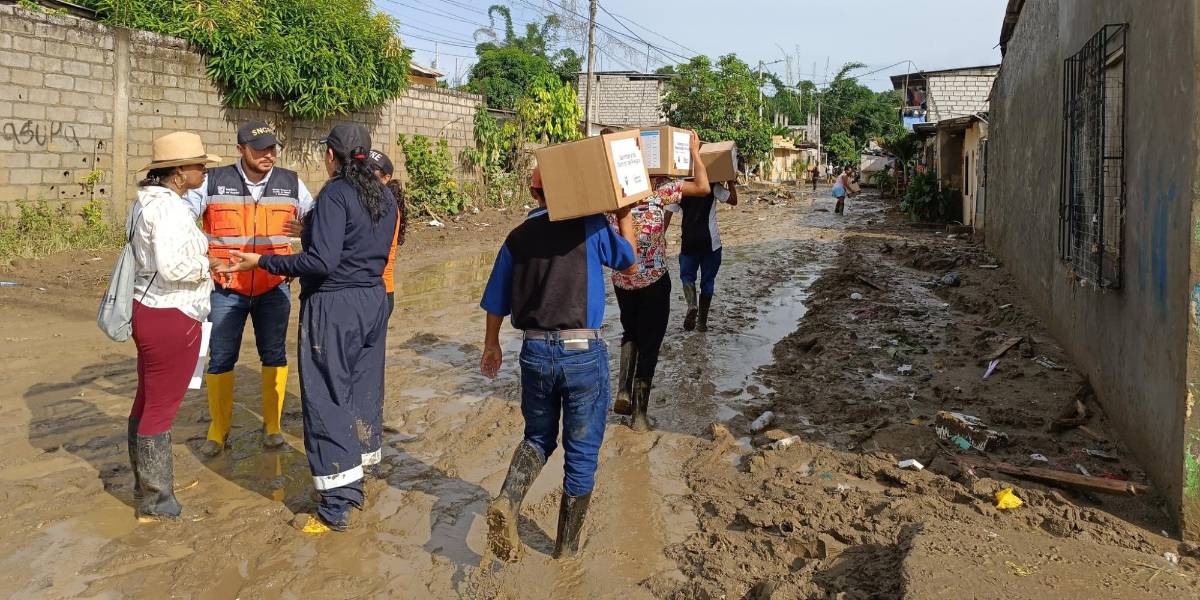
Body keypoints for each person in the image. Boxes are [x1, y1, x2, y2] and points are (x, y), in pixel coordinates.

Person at [216, 124, 397, 533]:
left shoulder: (336, 192)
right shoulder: (383, 193)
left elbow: (321, 263)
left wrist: (262, 262)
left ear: (331, 156)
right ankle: (358, 475)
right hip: (372, 301)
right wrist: (315, 233)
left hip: (335, 306)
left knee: (327, 396)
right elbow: (358, 244)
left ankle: (336, 505)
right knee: (361, 390)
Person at [479, 167, 638, 561]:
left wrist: (491, 345)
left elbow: (496, 300)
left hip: (534, 352)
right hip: (582, 352)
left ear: (533, 193)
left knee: (537, 437)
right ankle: (565, 553)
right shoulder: (590, 226)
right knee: (582, 452)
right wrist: (624, 212)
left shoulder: (517, 237)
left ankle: (508, 499)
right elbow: (631, 264)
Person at [184, 121, 315, 458]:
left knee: (274, 354)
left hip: (273, 287)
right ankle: (219, 428)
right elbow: (181, 223)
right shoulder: (213, 182)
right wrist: (202, 261)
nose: (268, 155)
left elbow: (317, 221)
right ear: (240, 149)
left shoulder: (291, 184)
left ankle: (272, 425)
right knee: (221, 356)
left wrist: (307, 231)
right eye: (260, 149)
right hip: (225, 288)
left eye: (272, 148)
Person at [128, 132, 223, 521]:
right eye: (199, 165)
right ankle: (156, 501)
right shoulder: (168, 210)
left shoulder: (148, 203)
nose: (204, 171)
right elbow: (172, 266)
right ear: (179, 172)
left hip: (152, 309)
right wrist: (211, 263)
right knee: (161, 409)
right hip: (173, 314)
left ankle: (147, 489)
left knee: (148, 400)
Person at [611, 129, 710, 431]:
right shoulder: (661, 190)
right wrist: (694, 151)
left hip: (622, 282)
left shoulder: (613, 193)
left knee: (630, 332)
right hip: (654, 280)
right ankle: (640, 416)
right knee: (650, 345)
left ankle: (624, 388)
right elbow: (703, 186)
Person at [670, 174, 736, 334]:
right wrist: (730, 181)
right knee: (708, 282)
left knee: (687, 277)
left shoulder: (681, 187)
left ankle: (692, 305)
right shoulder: (713, 185)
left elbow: (668, 212)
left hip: (688, 241)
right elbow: (733, 200)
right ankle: (702, 323)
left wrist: (659, 235)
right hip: (710, 244)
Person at [367, 150, 408, 317]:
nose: (366, 173)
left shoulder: (384, 208)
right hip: (378, 291)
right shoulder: (374, 203)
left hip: (377, 291)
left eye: (371, 170)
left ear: (386, 178)